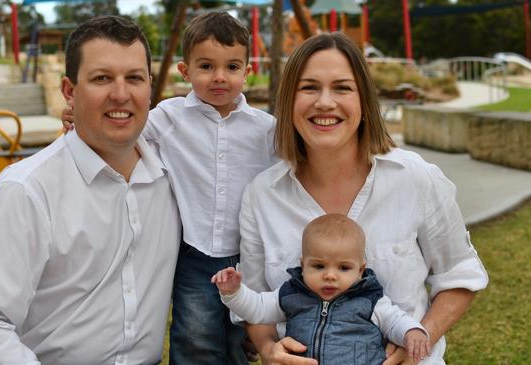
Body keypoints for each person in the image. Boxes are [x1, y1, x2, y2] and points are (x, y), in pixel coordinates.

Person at [237, 32, 489, 365]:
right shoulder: (261, 196)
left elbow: (460, 276)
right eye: (309, 87)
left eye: (342, 88)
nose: (325, 102)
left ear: (364, 101)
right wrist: (269, 348)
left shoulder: (416, 178)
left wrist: (417, 341)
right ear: (289, 101)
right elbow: (256, 306)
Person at [0, 16, 181, 364]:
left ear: (150, 87)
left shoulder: (174, 175)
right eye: (102, 78)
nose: (121, 93)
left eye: (134, 78)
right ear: (70, 91)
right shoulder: (25, 191)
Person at [62, 11, 277, 364]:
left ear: (248, 72)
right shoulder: (168, 118)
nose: (219, 77)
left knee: (241, 338)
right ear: (185, 70)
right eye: (206, 66)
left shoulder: (265, 129)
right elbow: (123, 135)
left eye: (232, 67)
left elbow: (290, 172)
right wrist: (81, 119)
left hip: (249, 255)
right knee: (196, 334)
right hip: (195, 253)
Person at [213, 214, 431, 364]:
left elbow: (394, 321)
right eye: (318, 266)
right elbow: (257, 309)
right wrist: (234, 292)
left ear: (360, 270)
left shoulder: (369, 299)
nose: (330, 275)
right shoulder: (291, 294)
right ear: (303, 264)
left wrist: (412, 332)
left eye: (344, 268)